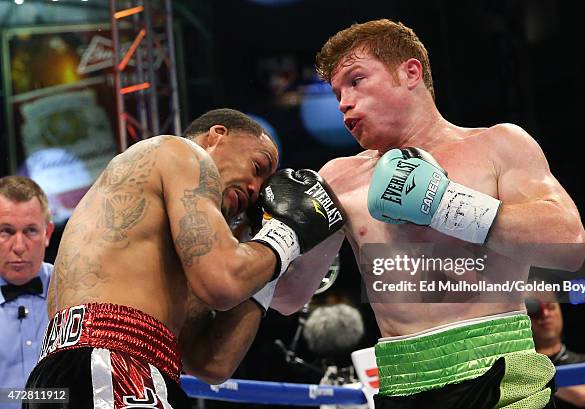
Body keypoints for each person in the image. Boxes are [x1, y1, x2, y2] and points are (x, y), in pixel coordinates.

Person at [271, 19, 585, 408]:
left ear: (410, 72)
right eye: (336, 92)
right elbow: (289, 297)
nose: (343, 103)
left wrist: (446, 205)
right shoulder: (338, 178)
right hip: (403, 388)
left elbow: (570, 246)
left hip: (503, 377)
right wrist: (271, 232)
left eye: (355, 81)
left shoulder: (499, 145)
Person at [24, 108, 345, 409]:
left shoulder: (162, 245)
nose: (254, 187)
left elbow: (211, 361)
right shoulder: (179, 153)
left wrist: (262, 243)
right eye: (257, 167)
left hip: (86, 370)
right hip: (109, 364)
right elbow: (224, 282)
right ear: (217, 135)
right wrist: (288, 233)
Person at [0, 176, 54, 408]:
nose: (19, 247)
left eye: (31, 230)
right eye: (5, 231)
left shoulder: (75, 292)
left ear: (47, 233)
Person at [530, 297, 585, 409]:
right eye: (535, 310)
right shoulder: (515, 368)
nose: (545, 314)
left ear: (560, 312)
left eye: (551, 306)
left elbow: (583, 396)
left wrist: (532, 372)